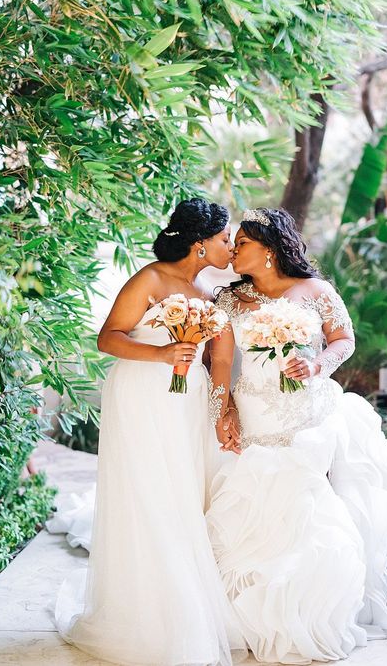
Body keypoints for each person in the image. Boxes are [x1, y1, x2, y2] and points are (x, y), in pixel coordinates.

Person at [205, 207, 387, 663]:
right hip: (255, 409)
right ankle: (254, 604)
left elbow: (344, 340)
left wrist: (317, 365)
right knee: (257, 491)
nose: (233, 249)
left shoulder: (316, 291)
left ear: (267, 250)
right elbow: (221, 361)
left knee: (305, 492)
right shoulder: (228, 301)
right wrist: (221, 408)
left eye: (242, 242)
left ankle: (315, 599)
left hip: (307, 410)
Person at [53, 197, 241, 665]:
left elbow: (219, 362)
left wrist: (222, 410)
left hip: (187, 399)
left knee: (185, 491)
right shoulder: (150, 279)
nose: (230, 247)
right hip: (141, 393)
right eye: (223, 240)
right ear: (199, 245)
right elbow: (109, 336)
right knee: (149, 491)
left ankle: (182, 599)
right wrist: (162, 355)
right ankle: (148, 612)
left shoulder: (211, 296)